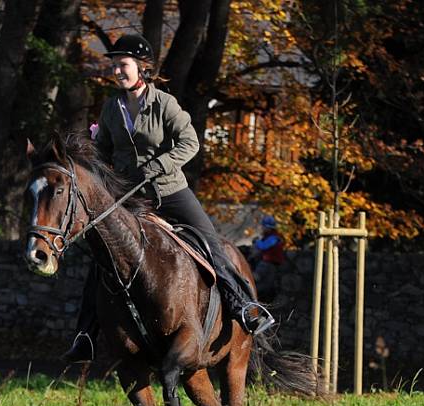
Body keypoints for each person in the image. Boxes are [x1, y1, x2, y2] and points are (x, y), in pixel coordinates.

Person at [63, 34, 275, 362]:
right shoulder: (111, 107)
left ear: (142, 68)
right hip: (130, 198)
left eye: (123, 65)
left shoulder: (164, 103)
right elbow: (104, 151)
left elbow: (190, 142)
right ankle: (85, 336)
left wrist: (159, 165)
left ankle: (243, 307)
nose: (117, 71)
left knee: (210, 244)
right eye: (114, 65)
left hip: (171, 192)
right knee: (103, 258)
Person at [250, 215, 286, 300]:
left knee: (258, 282)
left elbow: (263, 246)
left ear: (268, 227)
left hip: (267, 265)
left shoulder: (274, 237)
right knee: (263, 286)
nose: (262, 228)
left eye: (263, 226)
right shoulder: (271, 236)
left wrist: (256, 241)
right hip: (268, 265)